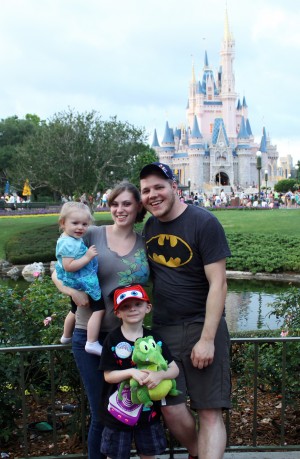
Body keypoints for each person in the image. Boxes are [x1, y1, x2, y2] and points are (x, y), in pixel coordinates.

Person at [139, 162, 232, 459]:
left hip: (202, 325)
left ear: (174, 188)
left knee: (208, 411)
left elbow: (218, 284)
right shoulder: (150, 226)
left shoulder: (204, 223)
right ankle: (198, 452)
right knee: (171, 409)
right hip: (164, 330)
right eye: (146, 190)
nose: (153, 195)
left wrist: (207, 339)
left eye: (159, 187)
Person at [52, 182, 150, 459]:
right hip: (89, 337)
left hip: (129, 340)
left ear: (138, 207)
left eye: (127, 204)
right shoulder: (90, 233)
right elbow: (57, 271)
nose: (119, 210)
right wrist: (71, 292)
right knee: (101, 412)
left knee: (129, 408)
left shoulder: (146, 243)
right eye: (114, 203)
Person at [99, 284, 179, 459]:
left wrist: (160, 375)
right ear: (117, 313)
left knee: (148, 455)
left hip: (148, 414)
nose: (132, 309)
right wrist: (131, 372)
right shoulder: (112, 339)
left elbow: (174, 369)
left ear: (147, 307)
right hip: (117, 414)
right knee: (115, 455)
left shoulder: (155, 339)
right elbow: (108, 376)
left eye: (137, 304)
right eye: (125, 306)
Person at [56, 201, 105, 356]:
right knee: (99, 308)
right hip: (81, 281)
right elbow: (68, 266)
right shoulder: (68, 244)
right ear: (63, 223)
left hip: (75, 280)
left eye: (84, 224)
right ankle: (91, 342)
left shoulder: (68, 239)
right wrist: (87, 256)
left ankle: (65, 336)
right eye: (75, 223)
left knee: (74, 309)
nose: (80, 227)